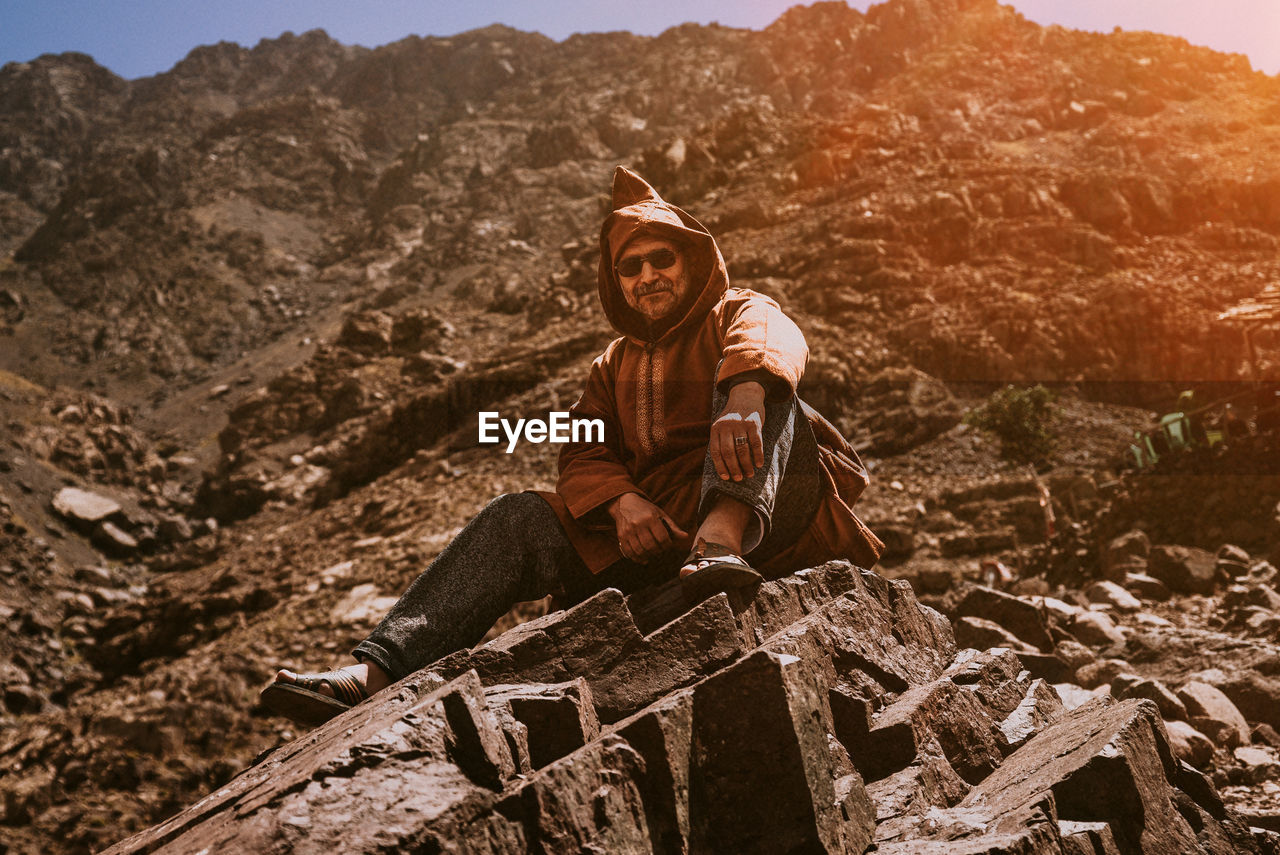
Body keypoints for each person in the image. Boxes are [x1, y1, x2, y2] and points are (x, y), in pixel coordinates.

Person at [261, 167, 884, 725]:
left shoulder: (735, 311)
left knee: (768, 389)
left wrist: (745, 393)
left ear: (692, 261)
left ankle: (720, 543)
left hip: (768, 515)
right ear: (617, 282)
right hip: (658, 533)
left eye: (660, 259)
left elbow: (775, 338)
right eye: (630, 268)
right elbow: (582, 448)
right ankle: (375, 675)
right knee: (517, 515)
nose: (647, 276)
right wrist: (620, 504)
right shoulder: (610, 366)